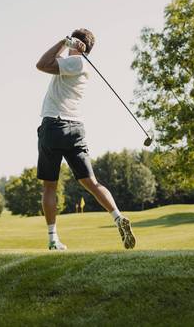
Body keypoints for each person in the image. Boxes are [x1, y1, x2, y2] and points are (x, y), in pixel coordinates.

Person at [35, 28, 136, 251]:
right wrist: (70, 46)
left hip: (54, 125)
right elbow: (53, 62)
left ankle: (53, 239)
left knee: (49, 186)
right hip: (76, 128)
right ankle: (118, 217)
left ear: (79, 45)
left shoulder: (75, 63)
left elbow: (41, 64)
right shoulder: (80, 66)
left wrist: (63, 41)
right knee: (91, 182)